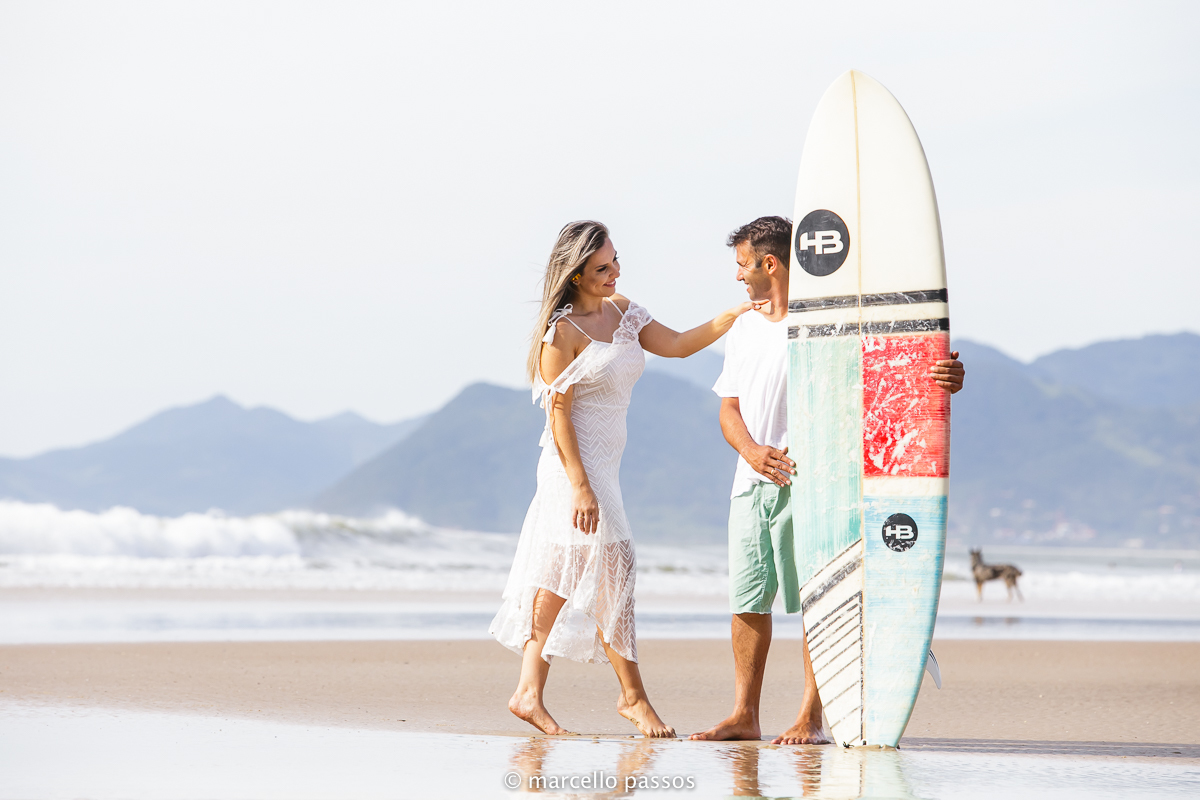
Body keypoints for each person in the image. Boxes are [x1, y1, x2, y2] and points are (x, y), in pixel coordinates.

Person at [690, 216, 966, 744]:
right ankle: (744, 713)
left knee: (817, 597)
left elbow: (898, 379)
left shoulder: (833, 322)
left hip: (816, 484)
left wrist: (947, 377)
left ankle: (809, 718)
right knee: (748, 599)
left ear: (770, 264)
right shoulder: (744, 328)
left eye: (743, 266)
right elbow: (729, 408)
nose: (739, 277)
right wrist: (751, 452)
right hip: (752, 483)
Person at [490, 220, 754, 738]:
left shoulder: (625, 311)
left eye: (615, 261)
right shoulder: (561, 334)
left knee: (559, 573)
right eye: (601, 268)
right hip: (574, 470)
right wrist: (581, 486)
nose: (614, 272)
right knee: (616, 567)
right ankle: (633, 698)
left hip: (605, 466)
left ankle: (527, 692)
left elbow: (676, 344)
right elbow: (558, 416)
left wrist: (730, 317)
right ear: (575, 276)